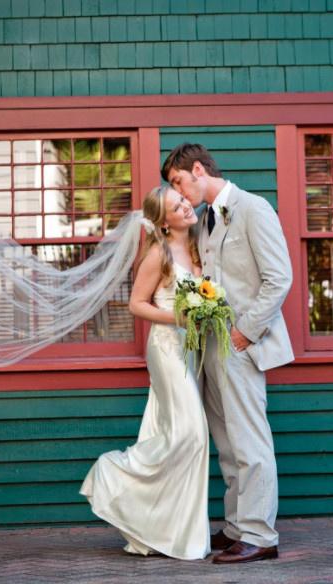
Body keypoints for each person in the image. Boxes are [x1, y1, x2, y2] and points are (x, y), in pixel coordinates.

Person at [162, 143, 294, 564]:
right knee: (226, 441)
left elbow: (279, 278)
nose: (180, 193)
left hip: (242, 345)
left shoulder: (254, 209)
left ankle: (260, 536)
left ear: (198, 170)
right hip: (211, 348)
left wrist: (244, 332)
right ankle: (238, 526)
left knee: (250, 440)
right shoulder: (202, 221)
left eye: (179, 182)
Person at [80, 185, 211, 560]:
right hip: (167, 346)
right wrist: (178, 317)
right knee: (191, 433)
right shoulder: (159, 253)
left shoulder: (199, 245)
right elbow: (137, 304)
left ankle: (166, 529)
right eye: (176, 206)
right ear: (163, 222)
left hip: (190, 350)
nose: (186, 206)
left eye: (184, 200)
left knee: (178, 435)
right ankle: (114, 473)